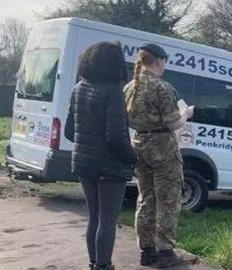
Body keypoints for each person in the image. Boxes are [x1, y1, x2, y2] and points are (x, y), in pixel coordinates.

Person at [64, 42, 137, 270]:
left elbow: (69, 131)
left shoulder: (78, 88)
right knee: (107, 221)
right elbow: (116, 137)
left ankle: (94, 263)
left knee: (94, 218)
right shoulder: (113, 91)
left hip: (84, 163)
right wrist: (133, 157)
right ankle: (104, 266)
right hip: (110, 167)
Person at [124, 43, 194, 268]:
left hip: (139, 143)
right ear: (158, 61)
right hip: (162, 147)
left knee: (145, 197)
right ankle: (166, 253)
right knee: (168, 199)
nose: (165, 66)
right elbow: (174, 123)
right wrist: (186, 114)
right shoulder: (163, 88)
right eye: (165, 62)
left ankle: (146, 251)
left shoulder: (129, 87)